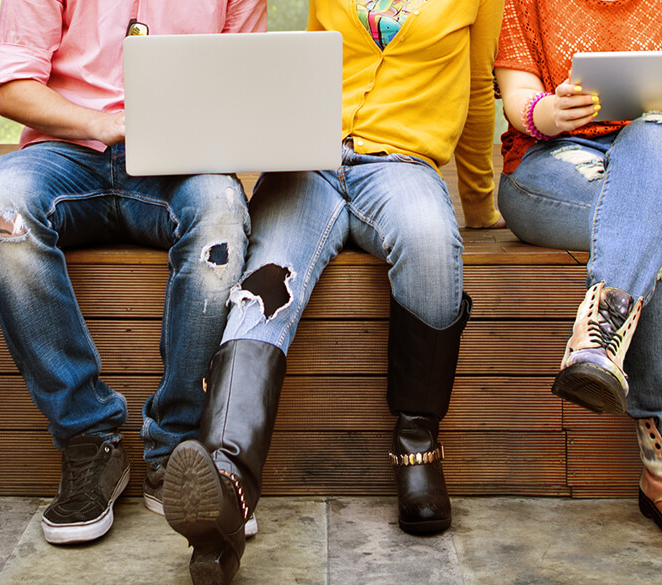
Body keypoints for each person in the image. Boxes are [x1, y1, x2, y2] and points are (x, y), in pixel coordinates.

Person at [160, 0, 503, 579]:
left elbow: (474, 89)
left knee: (429, 243)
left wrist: (478, 201)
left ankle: (418, 445)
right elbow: (308, 76)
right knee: (263, 287)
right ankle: (225, 484)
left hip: (402, 166)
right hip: (310, 167)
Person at [0, 0, 265, 550]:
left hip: (177, 162)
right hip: (65, 152)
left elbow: (242, 88)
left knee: (222, 210)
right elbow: (10, 87)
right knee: (2, 207)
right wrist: (101, 123)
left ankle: (178, 444)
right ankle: (88, 439)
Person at [493, 0, 662, 530]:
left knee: (650, 141)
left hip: (652, 157)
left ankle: (598, 337)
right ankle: (658, 452)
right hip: (550, 168)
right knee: (649, 214)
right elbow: (517, 97)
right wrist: (547, 112)